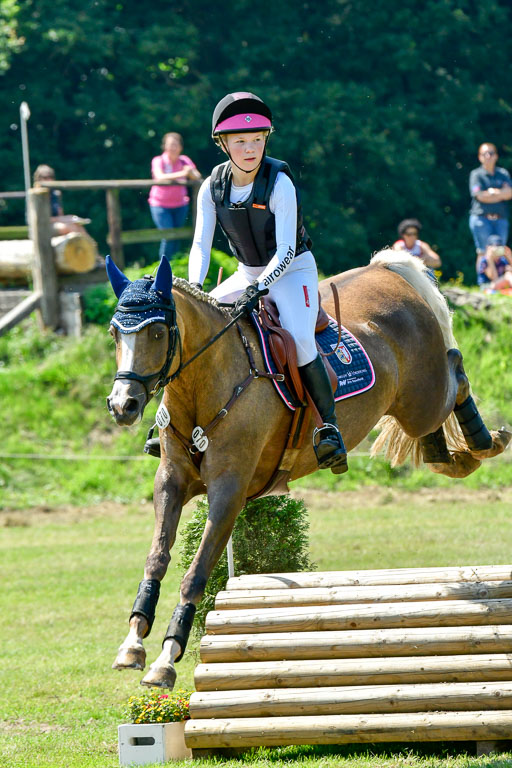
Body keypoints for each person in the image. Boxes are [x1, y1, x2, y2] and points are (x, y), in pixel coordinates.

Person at [187, 91, 347, 474]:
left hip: (293, 273)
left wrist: (259, 288)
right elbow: (200, 245)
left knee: (300, 337)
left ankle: (329, 429)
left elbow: (287, 250)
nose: (250, 148)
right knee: (195, 327)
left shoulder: (280, 183)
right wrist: (195, 290)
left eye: (257, 139)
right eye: (240, 141)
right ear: (223, 144)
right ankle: (168, 424)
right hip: (246, 273)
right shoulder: (211, 187)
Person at [148, 132, 202, 261]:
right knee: (168, 236)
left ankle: (173, 267)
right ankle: (164, 268)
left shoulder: (184, 160)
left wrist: (190, 172)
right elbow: (159, 177)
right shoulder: (158, 160)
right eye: (170, 145)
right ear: (164, 147)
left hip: (180, 205)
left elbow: (197, 176)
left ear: (180, 147)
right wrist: (183, 173)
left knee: (177, 237)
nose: (173, 148)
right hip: (160, 205)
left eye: (176, 145)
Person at [469, 142, 512, 258]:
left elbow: (510, 193)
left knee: (500, 254)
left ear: (496, 156)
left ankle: (497, 277)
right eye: (485, 153)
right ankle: (482, 277)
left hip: (500, 219)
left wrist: (492, 192)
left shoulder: (502, 173)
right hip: (481, 219)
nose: (488, 156)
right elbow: (480, 196)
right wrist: (501, 193)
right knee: (483, 253)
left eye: (491, 153)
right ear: (479, 157)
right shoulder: (476, 174)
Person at [33, 164, 90, 236]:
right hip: (42, 227)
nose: (49, 180)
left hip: (56, 224)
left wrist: (69, 218)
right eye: (45, 177)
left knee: (79, 227)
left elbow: (60, 215)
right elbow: (39, 220)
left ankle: (92, 246)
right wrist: (63, 219)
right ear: (38, 179)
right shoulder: (36, 195)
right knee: (71, 227)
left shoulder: (55, 194)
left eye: (51, 177)